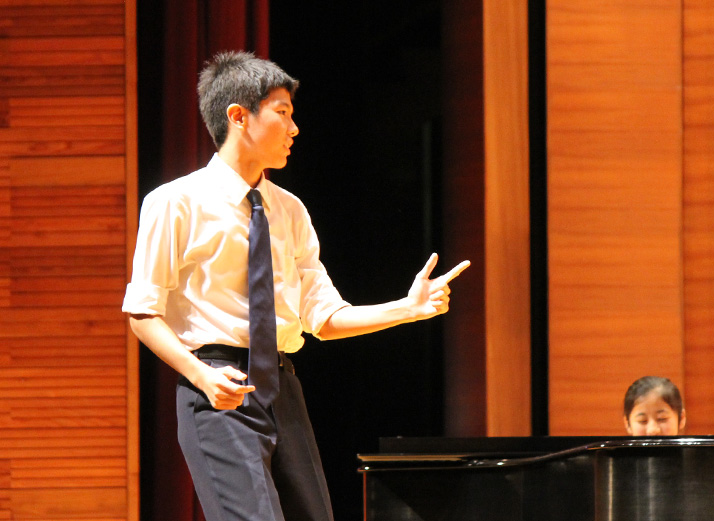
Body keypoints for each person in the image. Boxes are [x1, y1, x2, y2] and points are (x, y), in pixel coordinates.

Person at [122, 50, 470, 521]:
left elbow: (323, 318)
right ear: (238, 116)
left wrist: (406, 308)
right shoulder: (175, 202)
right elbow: (143, 312)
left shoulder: (289, 209)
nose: (294, 128)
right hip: (218, 385)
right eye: (282, 113)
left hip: (282, 387)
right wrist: (200, 375)